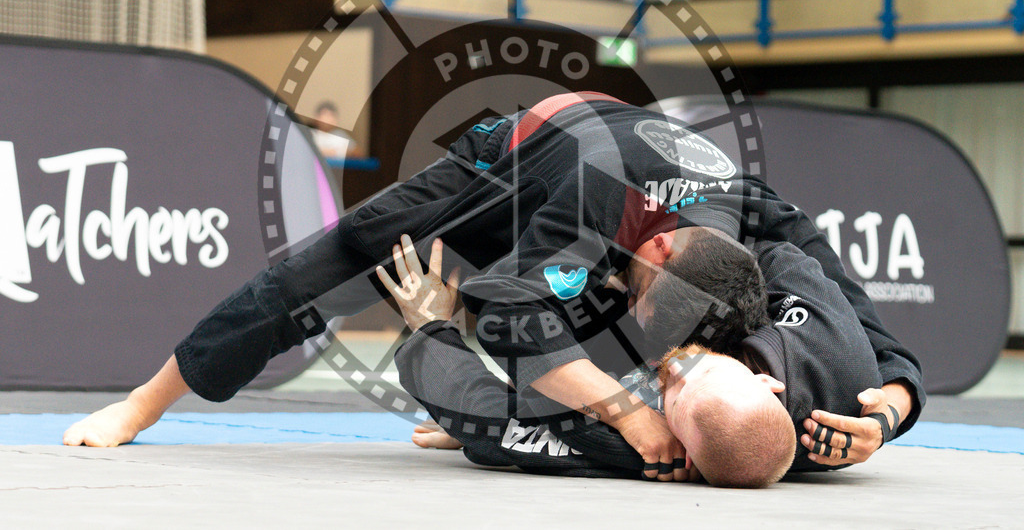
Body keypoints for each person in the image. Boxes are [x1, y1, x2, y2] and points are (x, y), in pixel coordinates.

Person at [64, 93, 922, 482]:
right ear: (649, 252)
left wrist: (885, 412)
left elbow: (883, 343)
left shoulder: (769, 225)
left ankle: (519, 408)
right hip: (522, 158)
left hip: (647, 204)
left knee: (587, 334)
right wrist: (623, 410)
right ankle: (148, 398)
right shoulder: (598, 209)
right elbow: (511, 309)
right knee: (347, 256)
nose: (653, 361)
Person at [384, 234, 901, 487]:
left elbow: (493, 424)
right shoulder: (838, 361)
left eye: (674, 396)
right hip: (724, 263)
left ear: (686, 454)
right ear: (766, 383)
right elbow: (784, 252)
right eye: (707, 372)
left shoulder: (659, 449)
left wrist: (430, 330)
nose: (674, 371)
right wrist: (890, 415)